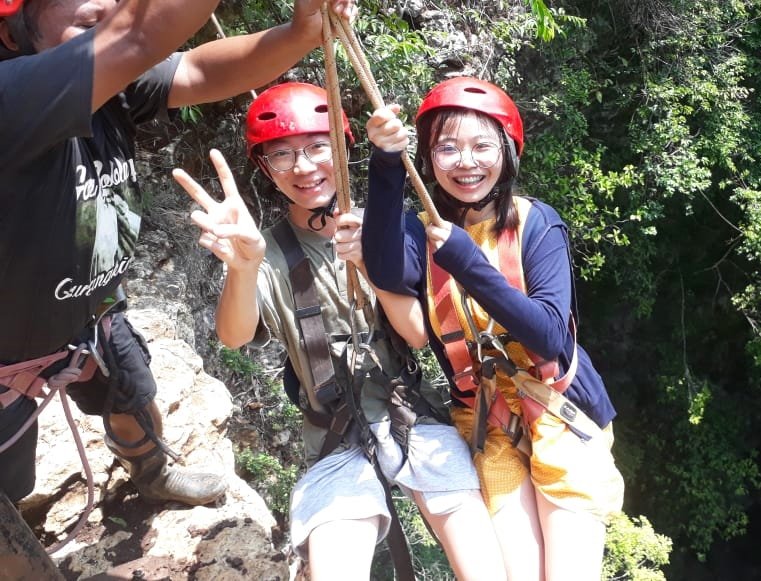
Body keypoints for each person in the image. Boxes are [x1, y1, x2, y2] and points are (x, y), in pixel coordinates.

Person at [0, 0, 356, 515]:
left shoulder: (113, 91)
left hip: (89, 310)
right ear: (13, 35)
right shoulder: (15, 98)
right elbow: (139, 35)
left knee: (132, 391)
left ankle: (151, 470)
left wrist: (300, 31)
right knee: (9, 487)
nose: (102, 3)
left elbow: (197, 68)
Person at [172, 82, 507, 580]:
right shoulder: (263, 252)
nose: (303, 168)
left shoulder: (392, 229)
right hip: (335, 436)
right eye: (282, 156)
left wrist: (372, 265)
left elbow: (417, 336)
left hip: (413, 417)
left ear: (342, 147)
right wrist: (242, 268)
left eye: (315, 147)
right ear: (265, 169)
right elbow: (234, 336)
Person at [361, 77, 626, 580]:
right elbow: (385, 268)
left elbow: (548, 334)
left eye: (482, 145)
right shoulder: (423, 230)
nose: (466, 162)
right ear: (430, 159)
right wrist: (386, 165)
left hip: (562, 412)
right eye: (447, 148)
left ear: (506, 151)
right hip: (490, 419)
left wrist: (464, 260)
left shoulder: (536, 223)